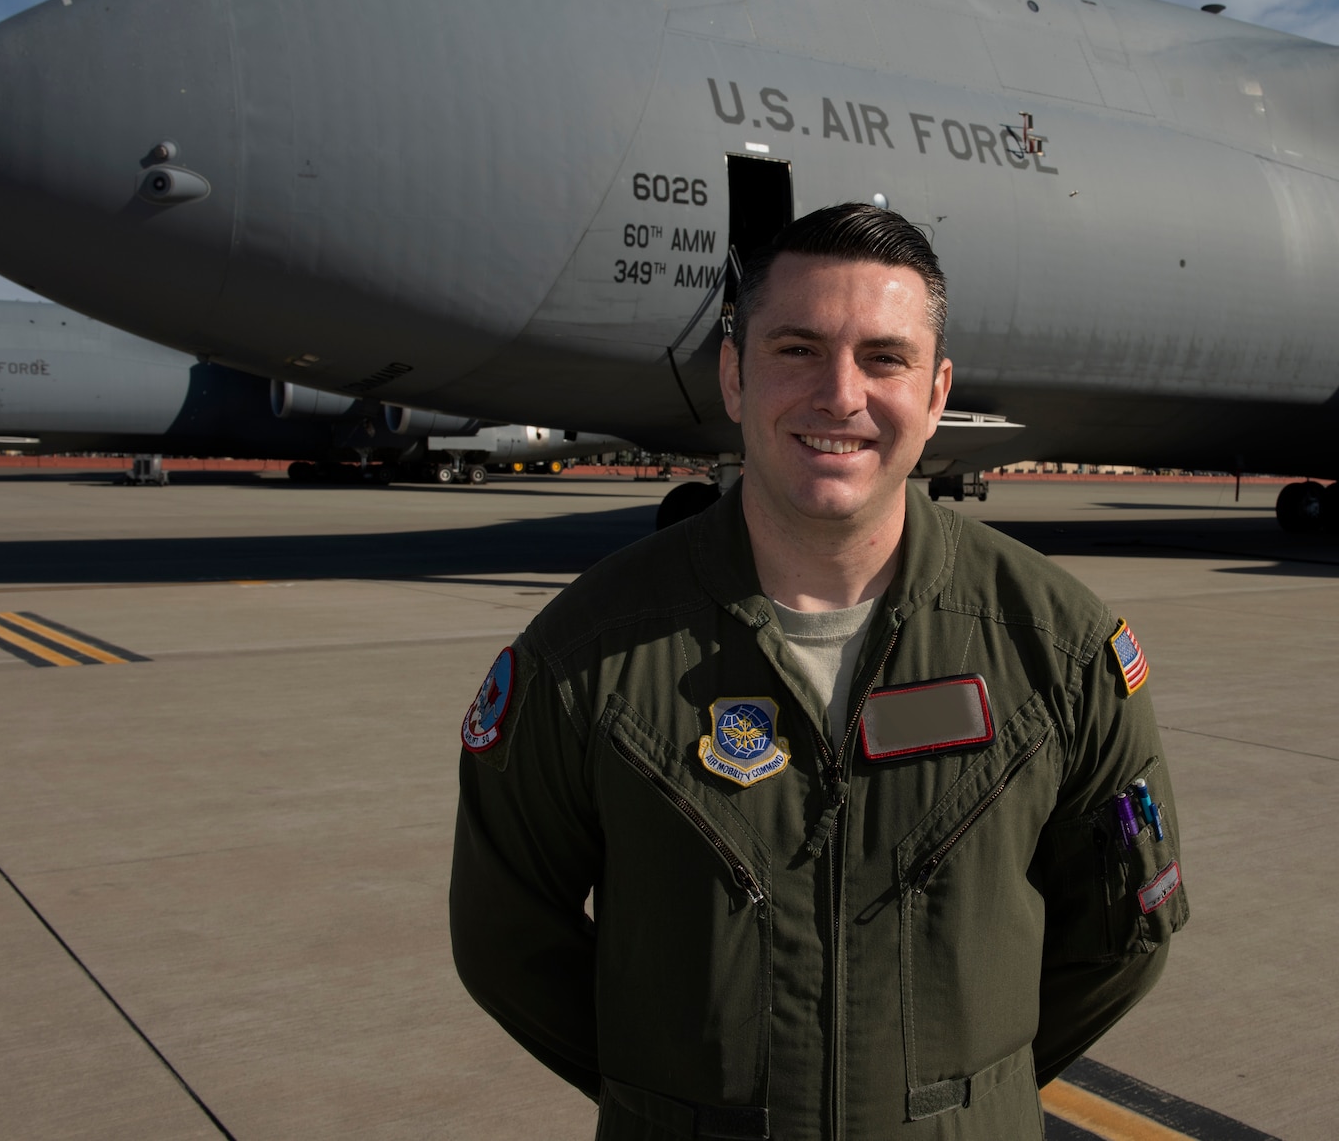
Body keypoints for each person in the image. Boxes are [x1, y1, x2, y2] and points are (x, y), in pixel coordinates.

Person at [450, 203, 1184, 1140]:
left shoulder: (1060, 645)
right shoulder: (585, 654)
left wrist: (962, 1100)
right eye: (797, 348)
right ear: (734, 375)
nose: (840, 394)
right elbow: (505, 938)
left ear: (935, 389)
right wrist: (678, 1100)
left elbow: (1123, 934)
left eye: (885, 357)